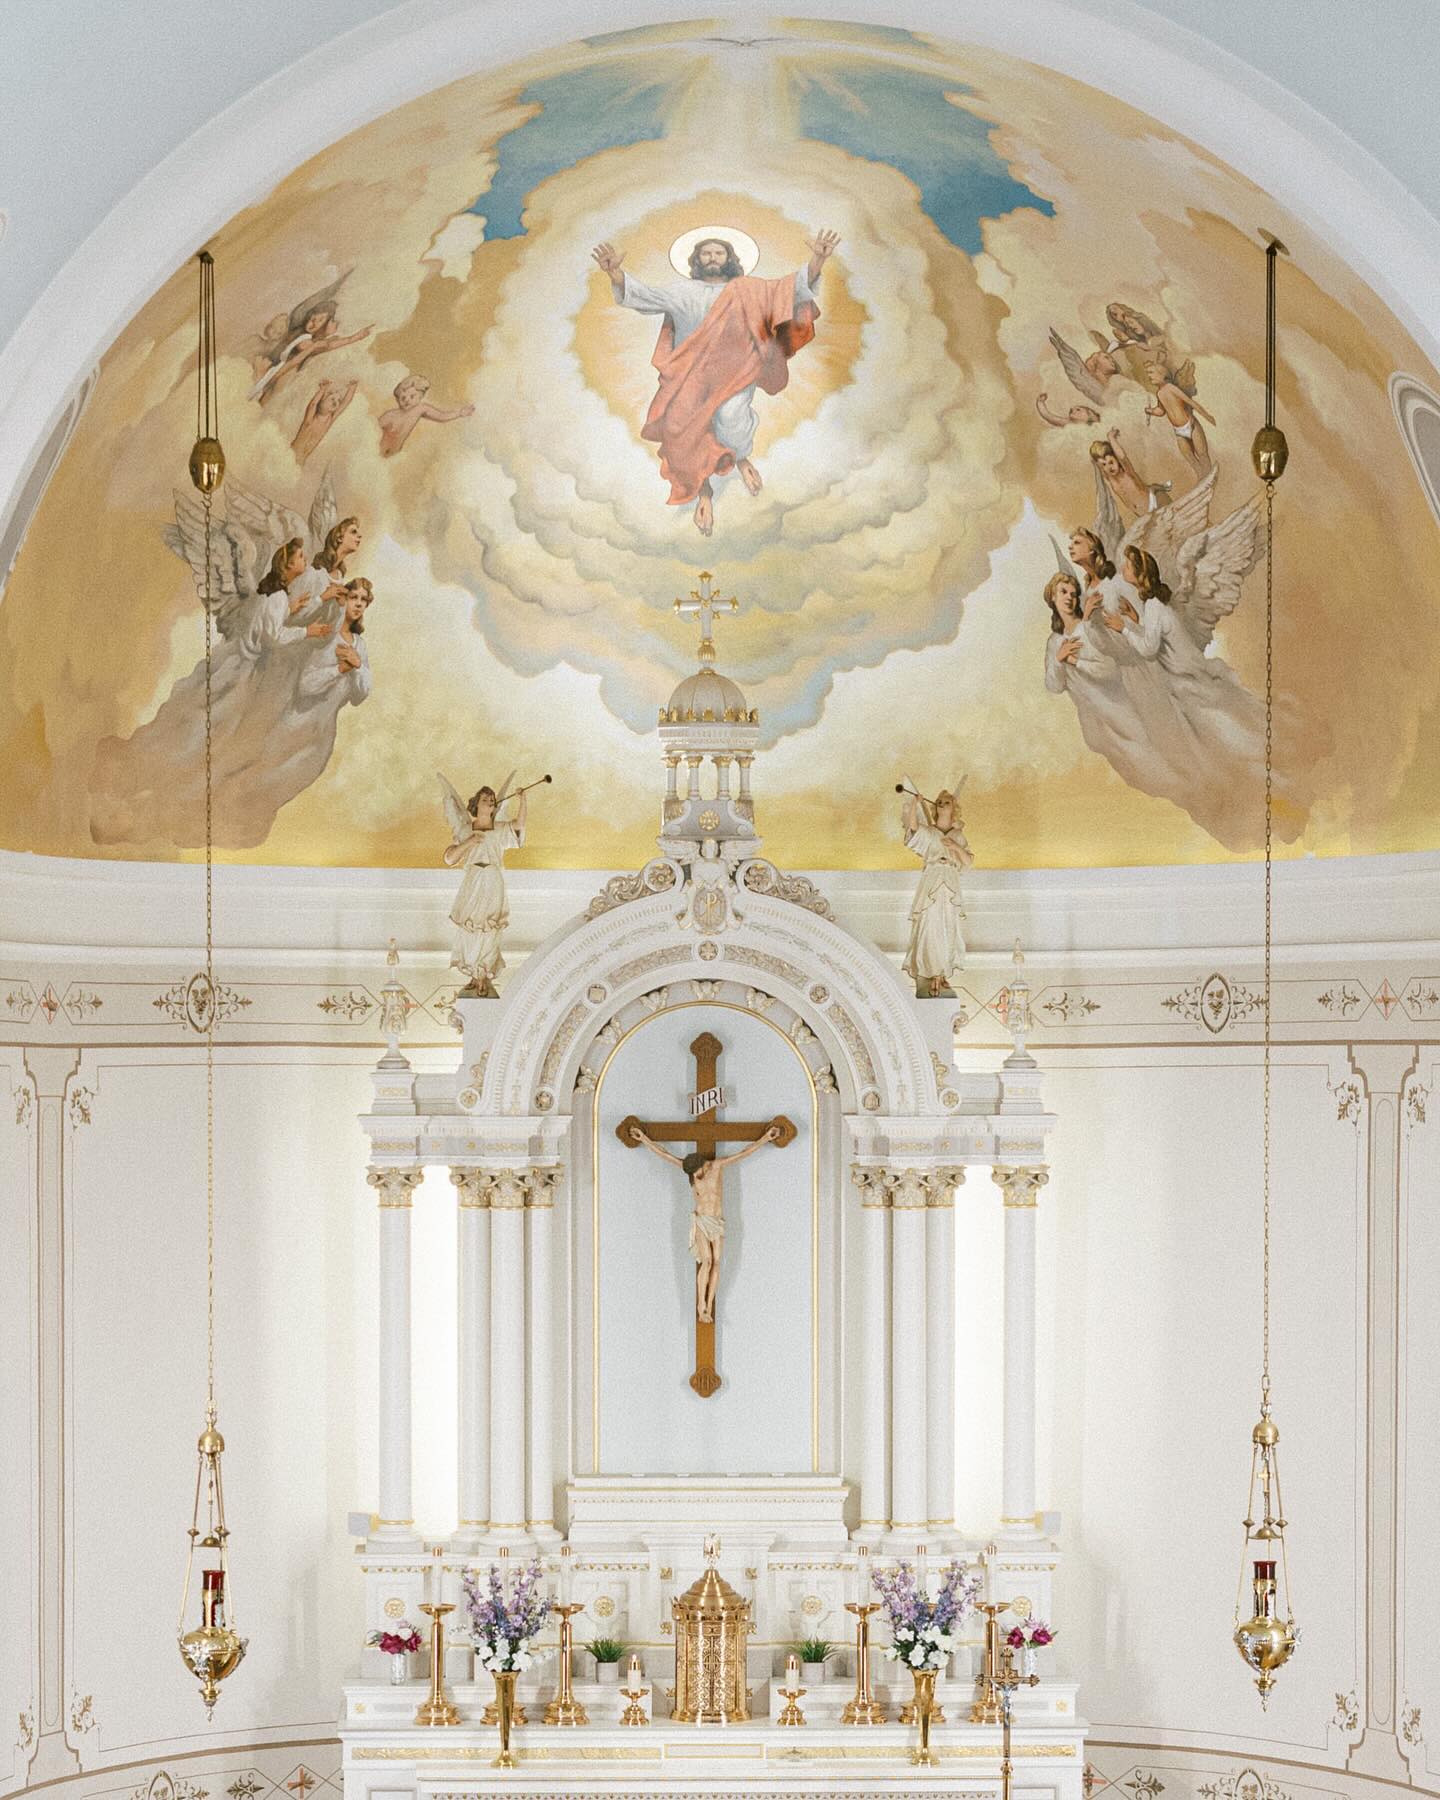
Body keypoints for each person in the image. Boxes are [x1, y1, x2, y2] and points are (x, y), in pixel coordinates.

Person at [592, 227, 838, 535]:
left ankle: (740, 457)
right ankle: (703, 491)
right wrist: (615, 273)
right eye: (706, 253)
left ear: (730, 258)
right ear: (696, 259)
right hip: (689, 374)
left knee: (731, 416)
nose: (712, 258)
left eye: (719, 253)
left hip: (735, 372)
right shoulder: (682, 292)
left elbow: (790, 290)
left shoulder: (748, 289)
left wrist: (817, 259)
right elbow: (643, 296)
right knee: (681, 431)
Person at [627, 1124, 784, 1324]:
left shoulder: (717, 1166)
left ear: (704, 1165)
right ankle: (701, 1304)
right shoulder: (692, 1172)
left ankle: (710, 1304)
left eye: (698, 1172)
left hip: (716, 1222)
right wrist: (644, 1139)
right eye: (693, 1175)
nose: (696, 1177)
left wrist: (765, 1138)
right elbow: (665, 1154)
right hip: (701, 1220)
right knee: (706, 1261)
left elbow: (743, 1153)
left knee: (717, 1261)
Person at [440, 781, 528, 998]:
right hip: (473, 880)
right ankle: (473, 969)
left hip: (493, 880)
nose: (489, 802)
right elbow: (449, 858)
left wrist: (523, 800)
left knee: (490, 928)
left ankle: (484, 972)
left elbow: (518, 825)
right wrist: (469, 841)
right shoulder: (465, 830)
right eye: (485, 799)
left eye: (492, 800)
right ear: (476, 805)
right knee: (471, 926)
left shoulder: (499, 829)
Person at [900, 787, 973, 998]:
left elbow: (968, 861)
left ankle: (941, 973)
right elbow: (913, 827)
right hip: (932, 880)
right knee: (929, 926)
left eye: (947, 802)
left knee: (947, 928)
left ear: (953, 809)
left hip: (949, 881)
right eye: (939, 801)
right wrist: (915, 802)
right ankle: (929, 973)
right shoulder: (930, 833)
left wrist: (954, 847)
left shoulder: (958, 835)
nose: (942, 804)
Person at [1144, 357, 1215, 479]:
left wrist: (1207, 416)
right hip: (1179, 432)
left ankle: (1210, 477)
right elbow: (1161, 411)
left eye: (1151, 373)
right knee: (1191, 459)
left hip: (1191, 426)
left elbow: (1189, 402)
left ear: (1162, 375)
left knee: (1202, 455)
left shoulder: (1171, 388)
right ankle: (1202, 480)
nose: (1149, 376)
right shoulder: (1159, 394)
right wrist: (1150, 411)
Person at [378, 374, 475, 456]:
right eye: (403, 397)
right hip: (377, 454)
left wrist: (460, 413)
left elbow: (441, 416)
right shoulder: (390, 415)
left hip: (392, 458)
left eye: (412, 396)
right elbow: (372, 429)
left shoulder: (420, 409)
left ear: (420, 398)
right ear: (398, 398)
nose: (407, 400)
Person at [1089, 429, 1169, 517]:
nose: (1109, 467)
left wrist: (1111, 438)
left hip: (1152, 501)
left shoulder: (1127, 472)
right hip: (1142, 514)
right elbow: (1097, 463)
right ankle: (1158, 486)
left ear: (1116, 459)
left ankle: (1159, 487)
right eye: (1104, 465)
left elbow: (1122, 456)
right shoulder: (1110, 478)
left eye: (1111, 462)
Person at [291, 378, 358, 464]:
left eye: (338, 401)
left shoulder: (329, 420)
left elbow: (345, 402)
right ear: (321, 402)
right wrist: (322, 390)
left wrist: (352, 389)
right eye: (332, 399)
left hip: (300, 461)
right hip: (290, 454)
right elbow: (312, 404)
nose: (336, 402)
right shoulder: (310, 420)